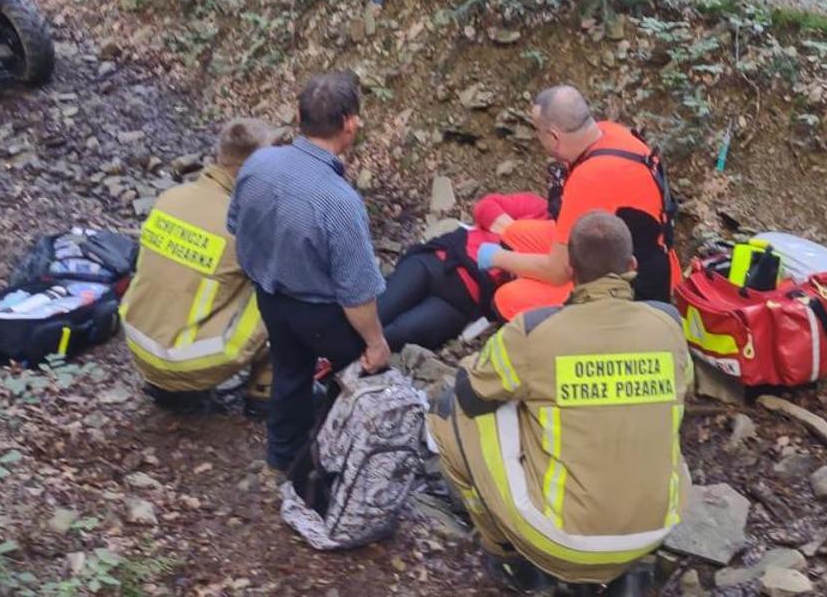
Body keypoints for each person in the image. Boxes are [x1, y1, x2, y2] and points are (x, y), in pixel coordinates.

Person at [431, 212, 690, 595]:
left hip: (562, 543)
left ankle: (507, 555)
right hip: (657, 528)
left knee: (449, 412)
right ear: (631, 266)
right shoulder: (667, 326)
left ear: (570, 269)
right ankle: (636, 566)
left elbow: (471, 391)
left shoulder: (535, 331)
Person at [227, 72, 391, 472]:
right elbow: (357, 294)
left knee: (290, 370)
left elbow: (236, 226)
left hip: (269, 294)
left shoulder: (258, 163)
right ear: (349, 124)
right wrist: (375, 343)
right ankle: (337, 465)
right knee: (358, 376)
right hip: (318, 312)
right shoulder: (340, 201)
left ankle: (282, 459)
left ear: (299, 116)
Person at [478, 86, 679, 321]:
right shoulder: (609, 132)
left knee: (508, 300)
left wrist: (496, 258)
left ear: (554, 136)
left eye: (537, 131)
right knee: (516, 234)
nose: (536, 137)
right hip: (623, 250)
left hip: (634, 285)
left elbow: (557, 272)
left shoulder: (590, 177)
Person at [121, 118, 274, 416]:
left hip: (138, 345)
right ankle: (265, 394)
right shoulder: (244, 223)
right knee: (288, 291)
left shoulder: (170, 197)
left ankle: (166, 386)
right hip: (185, 361)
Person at [378, 192, 549, 350]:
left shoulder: (565, 265)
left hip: (462, 303)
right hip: (439, 261)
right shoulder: (540, 209)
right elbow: (485, 206)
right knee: (379, 312)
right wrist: (516, 235)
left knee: (397, 334)